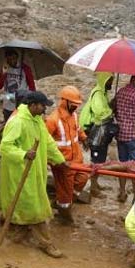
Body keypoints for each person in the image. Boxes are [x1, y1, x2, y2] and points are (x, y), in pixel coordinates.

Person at [0, 91, 66, 257]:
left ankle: (18, 235)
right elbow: (5, 147)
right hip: (20, 172)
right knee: (36, 209)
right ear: (33, 105)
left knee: (24, 207)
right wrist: (23, 154)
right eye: (42, 106)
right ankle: (46, 243)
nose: (44, 110)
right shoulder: (18, 122)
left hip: (35, 171)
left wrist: (60, 159)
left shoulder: (37, 120)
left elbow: (48, 142)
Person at [45, 85, 90, 223]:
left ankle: (62, 204)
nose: (76, 107)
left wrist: (84, 138)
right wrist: (51, 160)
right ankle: (66, 217)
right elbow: (45, 141)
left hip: (76, 159)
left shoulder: (74, 116)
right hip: (63, 163)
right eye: (74, 104)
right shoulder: (53, 119)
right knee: (65, 191)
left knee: (83, 178)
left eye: (77, 104)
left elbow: (78, 129)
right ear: (65, 101)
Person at [114, 75, 135, 202]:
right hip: (134, 136)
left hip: (120, 135)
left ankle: (122, 192)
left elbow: (115, 111)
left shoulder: (120, 92)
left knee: (122, 166)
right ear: (133, 81)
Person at [78, 72, 115, 171]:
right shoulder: (98, 94)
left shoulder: (103, 93)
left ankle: (95, 182)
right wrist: (111, 111)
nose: (111, 83)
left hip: (100, 130)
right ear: (104, 81)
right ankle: (93, 183)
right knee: (96, 156)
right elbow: (99, 112)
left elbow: (104, 108)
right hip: (96, 130)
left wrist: (110, 105)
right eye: (110, 81)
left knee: (99, 156)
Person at [0, 48, 36, 121]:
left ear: (17, 58)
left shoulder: (25, 69)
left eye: (13, 58)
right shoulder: (5, 68)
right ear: (6, 59)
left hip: (21, 104)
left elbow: (32, 87)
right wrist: (3, 74)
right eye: (9, 59)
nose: (12, 61)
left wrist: (31, 101)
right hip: (8, 104)